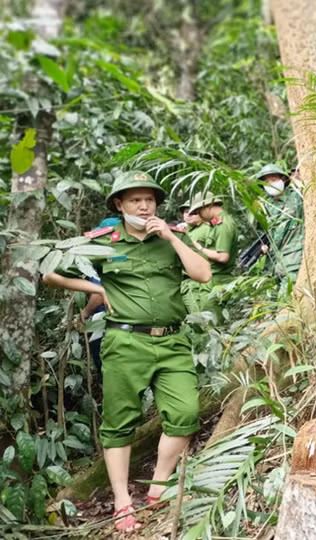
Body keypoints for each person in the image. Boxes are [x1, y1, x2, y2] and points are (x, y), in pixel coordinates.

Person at [42, 171, 211, 533]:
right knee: (119, 422)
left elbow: (203, 274)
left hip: (173, 341)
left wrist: (170, 236)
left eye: (149, 199)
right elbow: (50, 274)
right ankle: (122, 502)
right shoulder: (104, 242)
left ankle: (157, 487)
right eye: (135, 199)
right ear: (119, 205)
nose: (144, 205)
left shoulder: (173, 237)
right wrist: (97, 288)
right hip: (125, 342)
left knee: (185, 412)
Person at [237, 164, 304, 287]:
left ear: (283, 179)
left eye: (273, 180)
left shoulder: (296, 195)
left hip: (294, 257)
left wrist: (298, 179)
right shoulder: (265, 206)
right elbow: (264, 234)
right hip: (276, 265)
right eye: (266, 182)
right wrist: (263, 249)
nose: (271, 184)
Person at [80, 216, 122, 380]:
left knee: (103, 360)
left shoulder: (105, 258)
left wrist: (85, 313)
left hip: (104, 317)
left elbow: (99, 292)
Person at [187, 191, 238, 316]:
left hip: (217, 281)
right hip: (211, 280)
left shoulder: (223, 225)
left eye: (199, 211)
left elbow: (223, 256)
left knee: (210, 324)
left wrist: (200, 249)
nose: (198, 215)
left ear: (208, 206)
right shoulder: (215, 224)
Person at [179, 199, 210, 314]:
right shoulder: (183, 231)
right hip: (183, 281)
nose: (188, 215)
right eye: (186, 212)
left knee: (199, 317)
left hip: (198, 282)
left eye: (193, 212)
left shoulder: (207, 229)